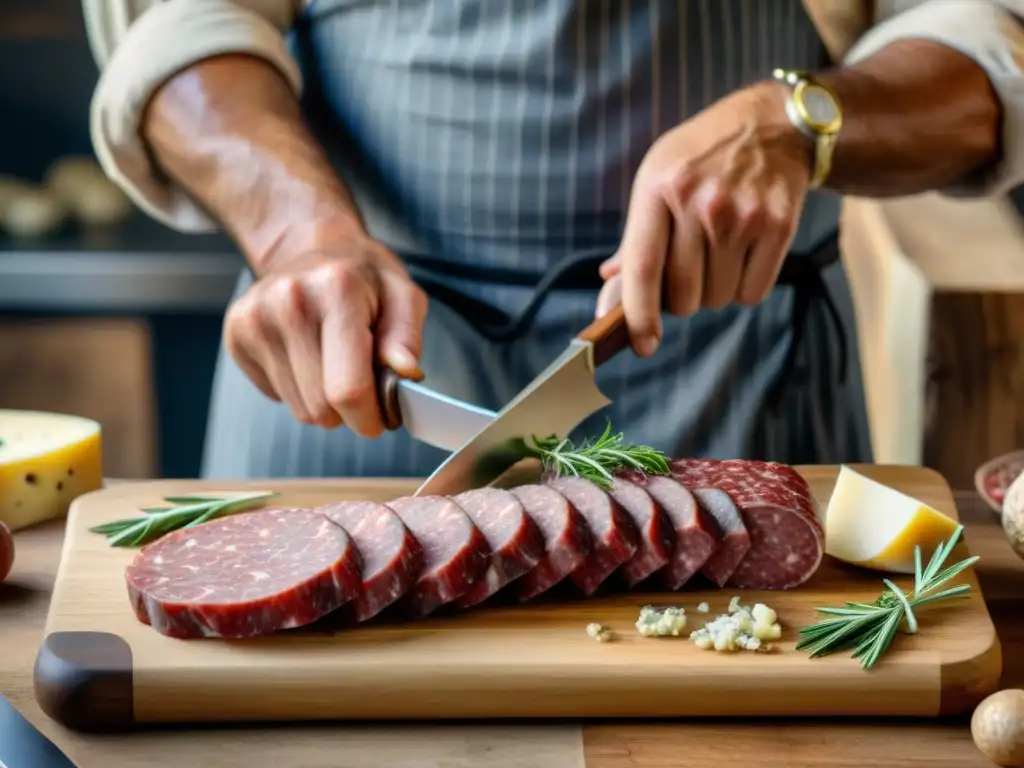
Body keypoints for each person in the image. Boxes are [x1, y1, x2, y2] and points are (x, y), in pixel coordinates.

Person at [83, 0, 1023, 479]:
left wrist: (800, 121)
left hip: (737, 376)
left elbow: (992, 39)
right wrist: (296, 232)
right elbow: (174, 27)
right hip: (350, 366)